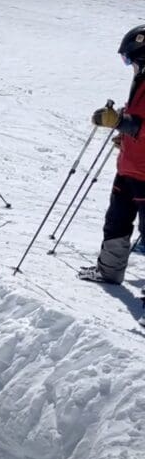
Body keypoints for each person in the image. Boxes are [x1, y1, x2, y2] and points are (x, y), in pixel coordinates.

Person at [79, 25, 145, 294]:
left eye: (128, 59)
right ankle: (109, 271)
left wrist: (121, 122)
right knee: (116, 221)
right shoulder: (140, 83)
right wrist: (125, 136)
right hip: (129, 169)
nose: (127, 65)